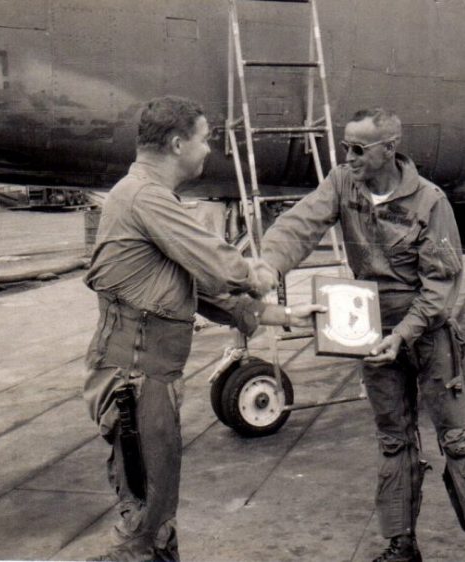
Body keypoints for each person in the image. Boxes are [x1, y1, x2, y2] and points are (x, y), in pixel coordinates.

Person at [255, 108, 465, 562]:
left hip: (427, 332)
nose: (347, 157)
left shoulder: (430, 202)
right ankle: (402, 544)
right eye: (344, 146)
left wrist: (404, 334)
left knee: (459, 440)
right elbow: (299, 224)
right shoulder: (342, 183)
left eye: (358, 149)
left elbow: (440, 288)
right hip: (371, 330)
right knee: (393, 438)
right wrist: (267, 264)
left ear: (389, 148)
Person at [83, 95, 325, 562]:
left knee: (155, 513)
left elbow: (193, 285)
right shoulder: (147, 198)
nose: (208, 150)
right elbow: (218, 265)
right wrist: (258, 274)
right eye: (204, 139)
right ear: (177, 144)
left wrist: (271, 315)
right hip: (135, 381)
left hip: (144, 375)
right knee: (144, 525)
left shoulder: (144, 197)